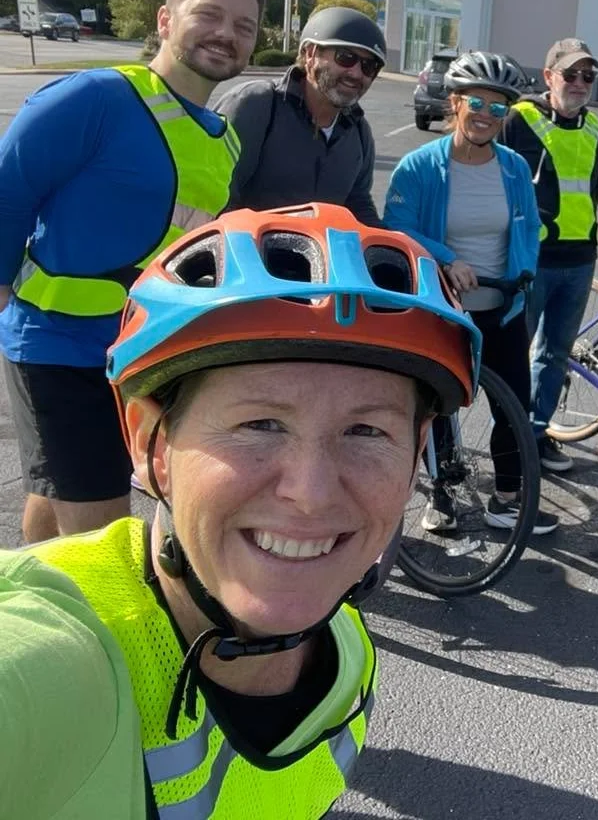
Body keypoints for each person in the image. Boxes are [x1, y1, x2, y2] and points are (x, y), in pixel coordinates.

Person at [0, 204, 482, 818]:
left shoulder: (346, 654)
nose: (310, 494)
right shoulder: (48, 664)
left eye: (365, 432)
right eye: (260, 423)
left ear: (416, 454)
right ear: (152, 443)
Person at [0, 0, 261, 545]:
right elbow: (8, 187)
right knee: (108, 533)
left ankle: (27, 597)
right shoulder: (95, 97)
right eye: (209, 14)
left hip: (137, 350)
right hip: (55, 345)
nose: (227, 33)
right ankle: (86, 628)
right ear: (166, 19)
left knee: (60, 488)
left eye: (244, 26)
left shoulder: (226, 140)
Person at [383, 50, 553, 535]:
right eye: (476, 102)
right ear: (454, 102)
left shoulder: (515, 167)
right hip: (444, 310)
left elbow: (529, 226)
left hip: (502, 307)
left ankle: (505, 498)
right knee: (439, 406)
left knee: (512, 409)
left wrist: (523, 273)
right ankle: (442, 494)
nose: (486, 115)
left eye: (498, 108)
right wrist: (446, 259)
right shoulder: (419, 167)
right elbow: (397, 229)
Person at [499, 38, 598, 472]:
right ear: (548, 77)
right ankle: (506, 440)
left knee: (555, 355)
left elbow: (594, 191)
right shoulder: (517, 120)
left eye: (588, 76)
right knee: (512, 353)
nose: (580, 83)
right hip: (531, 262)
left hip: (579, 261)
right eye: (570, 74)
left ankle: (536, 434)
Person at [211, 6, 387, 225]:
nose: (356, 73)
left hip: (318, 257)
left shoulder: (358, 132)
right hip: (246, 253)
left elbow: (358, 205)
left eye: (369, 66)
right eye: (345, 58)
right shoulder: (256, 106)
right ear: (310, 53)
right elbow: (216, 196)